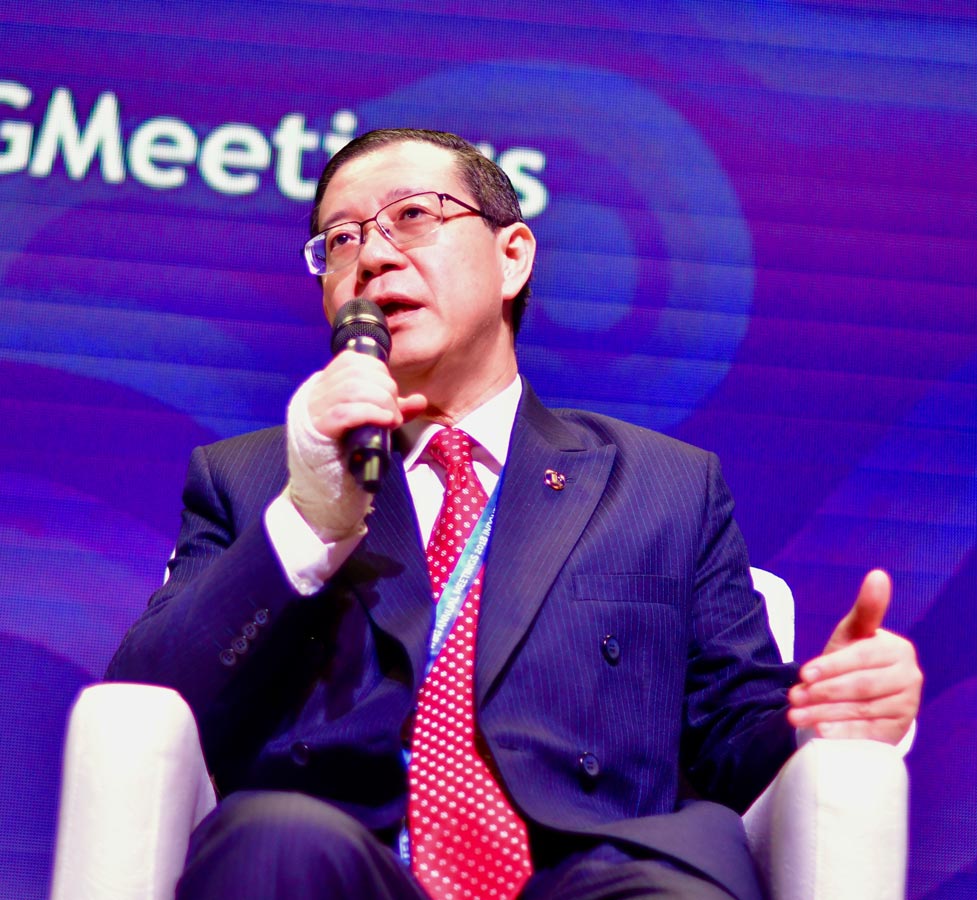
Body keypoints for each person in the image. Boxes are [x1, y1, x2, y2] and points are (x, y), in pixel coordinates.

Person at [106, 128, 922, 900]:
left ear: (512, 257)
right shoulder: (251, 478)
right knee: (271, 836)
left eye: (412, 217)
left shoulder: (663, 485)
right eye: (340, 240)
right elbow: (150, 703)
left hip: (593, 875)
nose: (372, 257)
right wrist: (307, 523)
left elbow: (734, 735)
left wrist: (830, 712)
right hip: (339, 863)